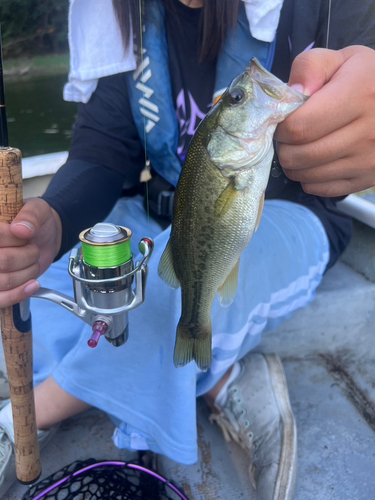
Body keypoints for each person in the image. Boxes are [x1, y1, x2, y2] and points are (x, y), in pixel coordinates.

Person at [0, 0, 375, 498]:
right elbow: (102, 150)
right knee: (45, 284)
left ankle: (24, 416)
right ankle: (220, 375)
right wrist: (54, 219)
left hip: (286, 215)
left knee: (157, 295)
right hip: (171, 217)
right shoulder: (124, 17)